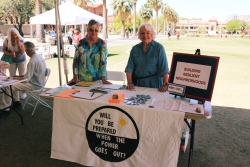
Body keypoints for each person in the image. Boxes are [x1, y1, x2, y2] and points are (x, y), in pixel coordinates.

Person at [0, 41, 47, 120]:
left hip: (35, 85)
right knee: (13, 84)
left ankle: (6, 110)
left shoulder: (32, 61)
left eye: (24, 50)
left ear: (27, 51)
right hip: (40, 82)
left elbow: (26, 79)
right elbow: (29, 75)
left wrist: (16, 79)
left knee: (9, 86)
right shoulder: (39, 58)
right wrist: (17, 77)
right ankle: (15, 103)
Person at [125, 23, 169, 92]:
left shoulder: (159, 48)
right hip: (137, 84)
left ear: (152, 34)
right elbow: (129, 69)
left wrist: (166, 84)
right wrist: (129, 83)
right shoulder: (135, 49)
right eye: (142, 33)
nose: (145, 36)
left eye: (148, 33)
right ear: (139, 35)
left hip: (154, 84)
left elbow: (164, 69)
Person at [68, 19, 111, 85]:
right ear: (87, 30)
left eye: (96, 30)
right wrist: (75, 77)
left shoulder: (102, 44)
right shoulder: (81, 43)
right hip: (83, 80)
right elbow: (76, 61)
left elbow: (103, 62)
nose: (93, 32)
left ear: (98, 31)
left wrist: (104, 80)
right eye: (91, 30)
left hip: (98, 80)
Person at [2, 28, 27, 99]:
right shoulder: (6, 40)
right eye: (12, 35)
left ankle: (23, 92)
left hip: (21, 60)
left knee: (22, 76)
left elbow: (22, 52)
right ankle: (15, 95)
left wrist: (18, 43)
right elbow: (3, 50)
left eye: (15, 34)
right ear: (9, 35)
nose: (14, 36)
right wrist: (9, 54)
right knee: (12, 77)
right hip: (12, 61)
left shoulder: (21, 40)